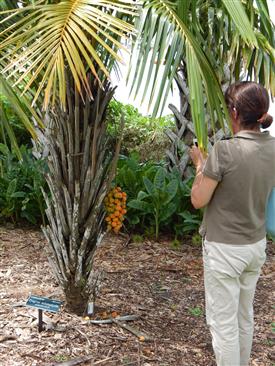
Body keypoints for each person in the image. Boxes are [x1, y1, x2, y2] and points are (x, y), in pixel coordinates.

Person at [189, 81, 275, 366]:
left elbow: (199, 199)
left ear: (235, 112)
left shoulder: (224, 151)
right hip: (255, 246)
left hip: (224, 250)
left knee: (223, 323)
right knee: (243, 316)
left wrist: (201, 166)